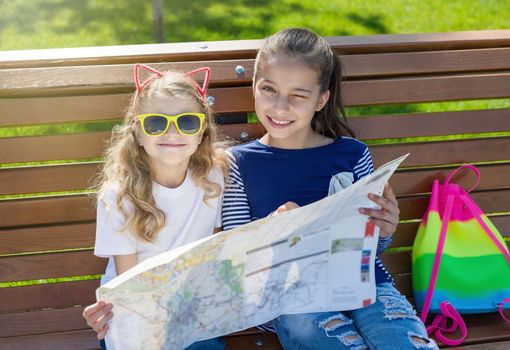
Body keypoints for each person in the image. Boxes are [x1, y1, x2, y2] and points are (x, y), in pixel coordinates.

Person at [221, 28, 438, 349]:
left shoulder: (351, 154)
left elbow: (370, 249)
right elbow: (238, 257)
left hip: (364, 284)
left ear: (321, 99)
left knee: (401, 341)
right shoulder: (238, 163)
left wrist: (384, 230)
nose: (280, 106)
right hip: (292, 297)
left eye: (298, 95)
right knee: (318, 331)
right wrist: (278, 232)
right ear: (254, 86)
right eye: (269, 89)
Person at [82, 64, 228, 350]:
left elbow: (214, 248)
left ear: (201, 133)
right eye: (156, 123)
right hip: (135, 315)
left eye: (187, 122)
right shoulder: (119, 196)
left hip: (191, 312)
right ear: (137, 132)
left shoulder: (213, 178)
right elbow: (128, 286)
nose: (172, 132)